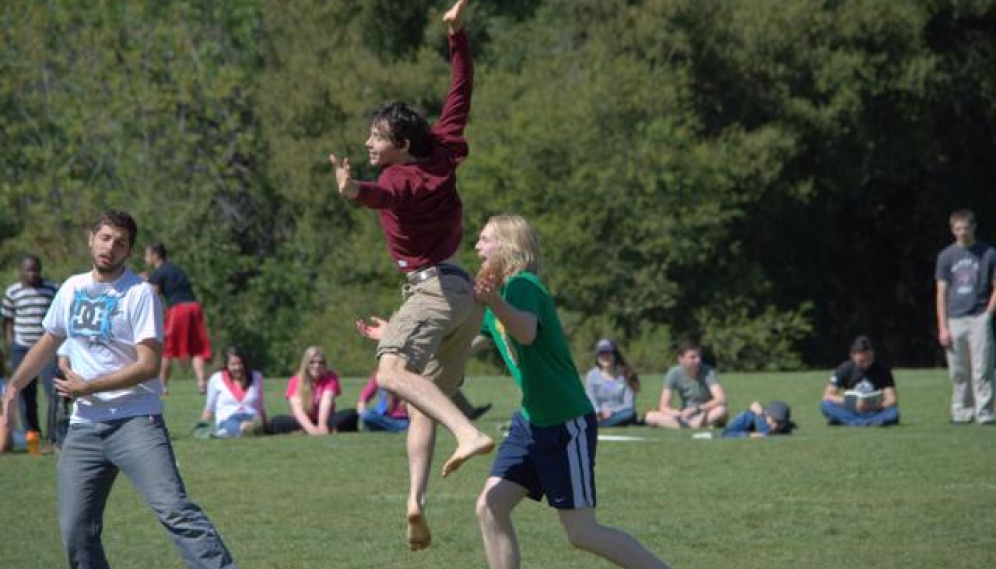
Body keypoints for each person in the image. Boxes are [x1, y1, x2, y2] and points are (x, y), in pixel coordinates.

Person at [328, 0, 493, 550]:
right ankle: (416, 500)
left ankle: (469, 432)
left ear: (399, 144)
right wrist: (457, 37)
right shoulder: (442, 151)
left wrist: (353, 192)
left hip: (434, 289)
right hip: (460, 296)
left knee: (392, 375)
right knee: (424, 394)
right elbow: (461, 90)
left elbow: (377, 194)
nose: (370, 144)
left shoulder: (399, 180)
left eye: (376, 137)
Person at [0, 209, 235, 568]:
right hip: (83, 428)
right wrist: (14, 386)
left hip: (136, 420)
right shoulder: (72, 288)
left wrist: (88, 385)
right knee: (75, 531)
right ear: (91, 239)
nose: (111, 246)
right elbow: (50, 340)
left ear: (129, 251)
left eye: (121, 242)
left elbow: (148, 365)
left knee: (175, 511)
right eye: (106, 237)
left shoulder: (140, 294)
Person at [473, 214, 674, 569]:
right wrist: (404, 339)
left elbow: (526, 332)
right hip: (530, 423)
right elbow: (463, 343)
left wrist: (494, 304)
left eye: (485, 239)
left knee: (581, 532)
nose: (476, 246)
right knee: (490, 506)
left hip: (565, 424)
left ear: (507, 246)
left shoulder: (522, 285)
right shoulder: (498, 296)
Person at [935, 208, 996, 425]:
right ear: (952, 230)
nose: (962, 232)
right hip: (954, 318)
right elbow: (941, 293)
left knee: (983, 368)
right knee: (959, 370)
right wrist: (942, 326)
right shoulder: (946, 256)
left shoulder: (988, 253)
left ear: (974, 227)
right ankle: (961, 412)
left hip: (979, 316)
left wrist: (988, 314)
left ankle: (985, 413)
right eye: (957, 228)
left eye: (966, 227)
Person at [3, 254, 59, 440]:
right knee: (25, 393)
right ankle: (32, 434)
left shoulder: (52, 289)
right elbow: (8, 321)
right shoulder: (13, 292)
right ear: (21, 271)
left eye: (36, 270)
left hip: (47, 349)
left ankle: (55, 434)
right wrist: (11, 345)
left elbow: (59, 319)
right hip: (21, 348)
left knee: (53, 390)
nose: (33, 274)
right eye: (29, 270)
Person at [144, 243, 213, 395]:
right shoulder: (176, 268)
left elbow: (152, 297)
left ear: (155, 255)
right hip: (194, 307)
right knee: (197, 348)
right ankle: (202, 382)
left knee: (167, 348)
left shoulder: (159, 272)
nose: (145, 258)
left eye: (147, 255)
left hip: (178, 309)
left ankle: (162, 386)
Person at [268, 346, 358, 435]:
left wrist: (322, 425)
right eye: (312, 362)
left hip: (326, 418)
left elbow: (326, 401)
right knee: (275, 421)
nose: (316, 365)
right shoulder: (295, 381)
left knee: (351, 414)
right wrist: (312, 430)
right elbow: (298, 410)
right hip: (302, 421)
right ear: (306, 364)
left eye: (320, 363)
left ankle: (307, 431)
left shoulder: (330, 378)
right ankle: (315, 430)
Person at [644, 340, 728, 429]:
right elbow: (663, 406)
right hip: (685, 415)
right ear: (681, 359)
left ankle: (688, 426)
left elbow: (721, 399)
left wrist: (697, 409)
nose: (698, 360)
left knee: (721, 410)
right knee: (650, 416)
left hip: (706, 411)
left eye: (699, 356)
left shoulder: (708, 371)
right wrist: (674, 413)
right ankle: (696, 425)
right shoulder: (673, 373)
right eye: (693, 357)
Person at [821, 335, 900, 427]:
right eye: (862, 361)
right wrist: (850, 403)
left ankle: (849, 421)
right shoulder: (844, 368)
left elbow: (892, 400)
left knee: (893, 413)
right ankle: (862, 422)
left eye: (869, 359)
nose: (866, 364)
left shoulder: (883, 370)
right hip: (851, 410)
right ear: (852, 355)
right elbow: (828, 395)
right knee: (826, 405)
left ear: (873, 353)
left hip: (874, 411)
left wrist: (874, 406)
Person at [200, 346, 267, 438]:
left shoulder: (257, 377)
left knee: (254, 423)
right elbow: (210, 408)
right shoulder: (216, 379)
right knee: (234, 426)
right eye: (233, 364)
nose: (237, 367)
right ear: (226, 365)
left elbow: (260, 405)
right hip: (228, 418)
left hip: (251, 417)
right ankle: (240, 430)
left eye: (240, 363)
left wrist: (266, 424)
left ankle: (244, 430)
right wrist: (202, 426)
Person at [584, 338, 640, 427]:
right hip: (597, 415)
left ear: (615, 355)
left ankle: (601, 424)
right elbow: (591, 399)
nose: (605, 357)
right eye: (602, 353)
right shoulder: (591, 376)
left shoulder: (627, 375)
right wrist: (599, 412)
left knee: (630, 413)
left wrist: (612, 412)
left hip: (620, 413)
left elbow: (629, 405)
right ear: (597, 357)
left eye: (608, 353)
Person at [722, 400, 796, 438]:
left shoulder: (784, 427)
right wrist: (749, 435)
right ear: (767, 415)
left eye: (780, 423)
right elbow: (726, 434)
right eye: (773, 421)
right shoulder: (749, 417)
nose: (775, 425)